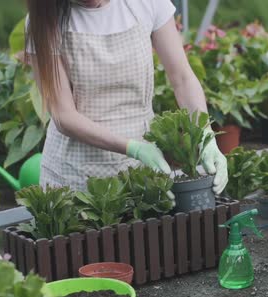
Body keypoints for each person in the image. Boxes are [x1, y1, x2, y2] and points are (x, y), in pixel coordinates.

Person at [25, 0, 228, 194]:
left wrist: (205, 133)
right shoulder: (44, 19)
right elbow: (64, 115)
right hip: (73, 174)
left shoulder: (143, 3)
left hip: (141, 169)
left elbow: (182, 78)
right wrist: (132, 148)